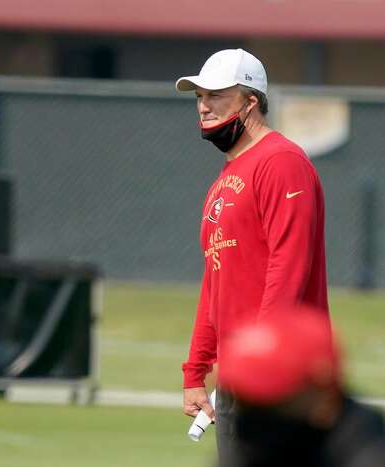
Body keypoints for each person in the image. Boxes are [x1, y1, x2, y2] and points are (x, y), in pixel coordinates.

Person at [174, 48, 329, 464]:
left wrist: (262, 359)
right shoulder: (226, 179)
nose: (204, 106)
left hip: (282, 380)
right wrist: (196, 371)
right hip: (241, 377)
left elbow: (288, 266)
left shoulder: (281, 162)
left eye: (217, 96)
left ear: (250, 102)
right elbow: (215, 279)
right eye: (199, 97)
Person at [218, 307, 385, 467]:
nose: (251, 415)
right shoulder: (248, 452)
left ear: (324, 398)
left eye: (270, 402)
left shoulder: (367, 455)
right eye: (244, 401)